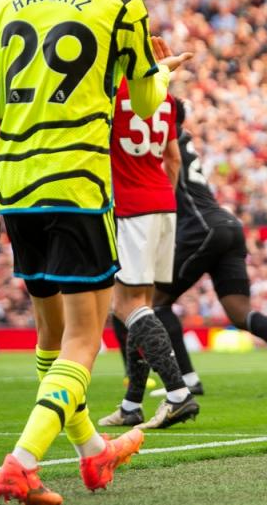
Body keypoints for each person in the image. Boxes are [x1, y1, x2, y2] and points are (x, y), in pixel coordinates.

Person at [0, 0, 189, 503]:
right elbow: (146, 104)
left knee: (49, 336)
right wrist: (164, 72)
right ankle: (22, 460)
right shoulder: (121, 0)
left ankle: (93, 453)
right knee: (84, 340)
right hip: (77, 184)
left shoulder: (6, 3)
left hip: (14, 185)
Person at [147, 100, 267, 399]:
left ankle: (186, 379)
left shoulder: (163, 138)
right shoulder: (182, 136)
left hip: (201, 227)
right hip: (226, 223)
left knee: (157, 302)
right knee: (239, 313)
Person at [97, 78, 200, 430]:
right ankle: (131, 405)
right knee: (139, 305)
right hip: (162, 202)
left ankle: (177, 394)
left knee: (126, 306)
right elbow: (173, 159)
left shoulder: (110, 93)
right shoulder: (164, 95)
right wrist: (161, 198)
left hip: (131, 206)